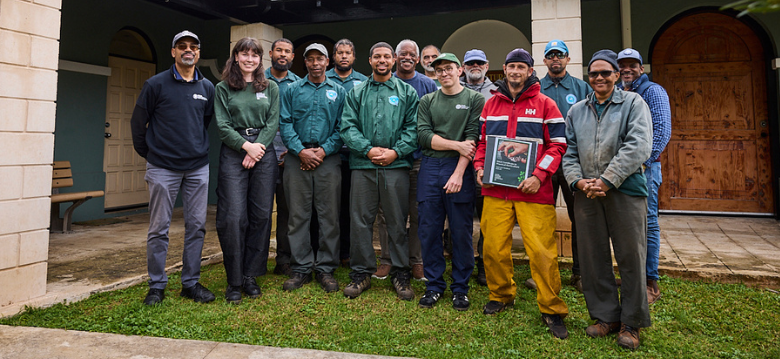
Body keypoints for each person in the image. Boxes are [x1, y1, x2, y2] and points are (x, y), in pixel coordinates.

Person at [473, 48, 569, 339]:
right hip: (496, 192)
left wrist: (539, 176)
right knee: (492, 248)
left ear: (530, 71)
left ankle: (552, 309)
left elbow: (559, 146)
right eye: (511, 66)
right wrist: (479, 168)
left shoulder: (546, 104)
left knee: (541, 253)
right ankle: (501, 295)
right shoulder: (491, 104)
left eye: (521, 67)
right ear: (504, 69)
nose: (515, 71)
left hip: (533, 193)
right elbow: (481, 143)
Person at [563, 49, 652, 350]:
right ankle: (606, 317)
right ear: (588, 78)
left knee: (631, 257)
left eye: (605, 72)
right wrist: (577, 180)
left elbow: (638, 145)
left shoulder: (633, 104)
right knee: (592, 258)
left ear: (616, 75)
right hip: (586, 193)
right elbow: (570, 153)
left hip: (625, 191)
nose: (599, 77)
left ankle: (631, 323)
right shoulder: (577, 111)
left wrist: (608, 179)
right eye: (593, 73)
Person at [131, 30, 215, 305]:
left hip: (197, 169)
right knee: (159, 228)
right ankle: (156, 285)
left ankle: (190, 283)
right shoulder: (155, 85)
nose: (188, 50)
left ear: (198, 53)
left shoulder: (207, 89)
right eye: (182, 46)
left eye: (193, 46)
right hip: (162, 169)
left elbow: (204, 123)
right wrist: (153, 154)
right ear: (173, 52)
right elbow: (137, 124)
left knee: (196, 226)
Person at [340, 42, 419, 300]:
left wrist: (396, 151)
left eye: (387, 56)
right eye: (377, 56)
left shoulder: (406, 92)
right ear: (370, 60)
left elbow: (413, 127)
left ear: (394, 60)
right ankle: (361, 273)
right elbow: (347, 127)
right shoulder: (357, 92)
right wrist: (367, 150)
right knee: (361, 220)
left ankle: (400, 272)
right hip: (363, 166)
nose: (382, 60)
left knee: (396, 220)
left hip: (396, 166)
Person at [213, 37, 279, 304]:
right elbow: (222, 124)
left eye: (255, 55)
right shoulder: (223, 88)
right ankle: (234, 280)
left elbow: (273, 120)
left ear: (260, 59)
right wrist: (245, 147)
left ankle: (251, 275)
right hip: (234, 151)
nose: (250, 59)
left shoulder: (270, 87)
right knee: (233, 217)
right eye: (244, 54)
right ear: (236, 57)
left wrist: (257, 148)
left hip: (264, 152)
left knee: (261, 215)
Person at [416, 53, 483, 311]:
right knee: (429, 229)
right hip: (431, 167)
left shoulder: (474, 99)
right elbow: (423, 136)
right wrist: (455, 145)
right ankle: (433, 285)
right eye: (439, 70)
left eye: (449, 69)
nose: (444, 73)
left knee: (460, 231)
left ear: (460, 70)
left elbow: (472, 138)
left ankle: (460, 288)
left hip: (460, 170)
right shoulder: (427, 100)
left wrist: (458, 173)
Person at [280, 43, 346, 293]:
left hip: (328, 159)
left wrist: (324, 150)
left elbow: (343, 126)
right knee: (298, 215)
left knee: (329, 215)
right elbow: (284, 123)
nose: (316, 63)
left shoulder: (339, 91)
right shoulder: (292, 90)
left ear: (327, 61)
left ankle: (326, 268)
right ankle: (301, 267)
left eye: (320, 59)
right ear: (305, 62)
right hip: (297, 159)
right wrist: (301, 151)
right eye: (311, 59)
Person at [373, 39, 436, 282]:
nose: (408, 57)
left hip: (419, 159)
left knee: (418, 211)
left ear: (418, 59)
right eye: (403, 54)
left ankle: (416, 260)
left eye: (412, 54)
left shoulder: (427, 85)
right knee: (388, 213)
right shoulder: (386, 83)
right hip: (390, 159)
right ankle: (388, 259)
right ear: (395, 58)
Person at [616, 48, 672, 305]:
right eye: (622, 65)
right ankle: (633, 276)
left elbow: (661, 132)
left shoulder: (653, 92)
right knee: (627, 223)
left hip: (644, 170)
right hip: (620, 169)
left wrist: (641, 164)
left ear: (641, 67)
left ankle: (651, 282)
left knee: (647, 223)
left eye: (632, 65)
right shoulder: (619, 94)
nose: (627, 69)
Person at [536, 39, 592, 292]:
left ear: (568, 59)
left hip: (572, 164)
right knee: (542, 219)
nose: (555, 59)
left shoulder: (581, 88)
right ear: (545, 60)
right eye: (551, 55)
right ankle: (547, 272)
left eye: (560, 55)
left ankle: (580, 273)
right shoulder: (536, 89)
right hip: (543, 164)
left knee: (579, 218)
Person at [326, 38, 368, 268]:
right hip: (331, 155)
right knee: (331, 206)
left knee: (353, 207)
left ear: (354, 57)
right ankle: (332, 251)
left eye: (348, 53)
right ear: (333, 57)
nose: (343, 56)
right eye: (339, 53)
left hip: (355, 155)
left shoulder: (363, 82)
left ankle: (349, 252)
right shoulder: (324, 78)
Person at [459, 48, 497, 287]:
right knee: (461, 216)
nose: (475, 66)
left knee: (487, 217)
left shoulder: (497, 91)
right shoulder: (454, 89)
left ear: (486, 65)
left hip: (488, 161)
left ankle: (485, 264)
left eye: (479, 62)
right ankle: (462, 262)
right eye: (470, 62)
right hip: (459, 160)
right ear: (463, 67)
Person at [265, 38, 301, 277]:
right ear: (271, 53)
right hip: (263, 156)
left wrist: (295, 147)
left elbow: (302, 118)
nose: (283, 54)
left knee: (288, 212)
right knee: (260, 211)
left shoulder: (298, 84)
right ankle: (256, 261)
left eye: (287, 51)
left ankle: (284, 260)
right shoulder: (258, 80)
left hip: (289, 157)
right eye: (279, 50)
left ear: (292, 57)